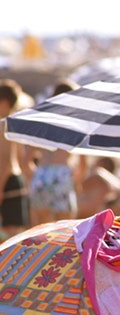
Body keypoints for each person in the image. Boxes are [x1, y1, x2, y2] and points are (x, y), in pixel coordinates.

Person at [25, 80, 79, 227]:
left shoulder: (43, 120)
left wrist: (36, 176)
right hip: (61, 174)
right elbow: (82, 163)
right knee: (67, 229)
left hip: (40, 174)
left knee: (42, 232)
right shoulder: (75, 122)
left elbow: (26, 160)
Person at [0, 80, 30, 238]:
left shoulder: (4, 124)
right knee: (16, 236)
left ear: (4, 102)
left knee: (10, 236)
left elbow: (5, 162)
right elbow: (20, 158)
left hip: (7, 183)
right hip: (16, 182)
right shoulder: (14, 124)